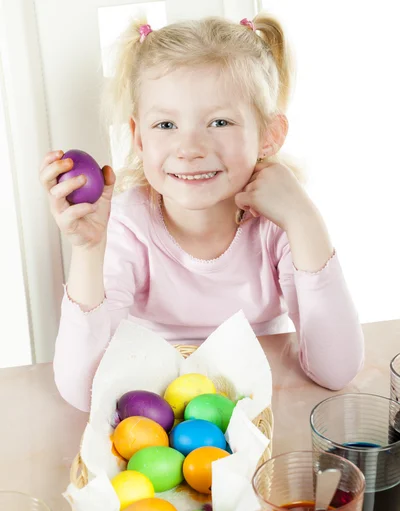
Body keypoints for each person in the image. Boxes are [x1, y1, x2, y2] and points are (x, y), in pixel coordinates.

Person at [39, 14, 364, 412]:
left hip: (261, 410)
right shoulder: (127, 225)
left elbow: (338, 370)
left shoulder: (279, 224)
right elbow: (83, 391)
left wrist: (304, 219)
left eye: (219, 121)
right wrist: (89, 251)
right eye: (166, 124)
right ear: (139, 137)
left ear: (268, 135)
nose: (189, 147)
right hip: (159, 411)